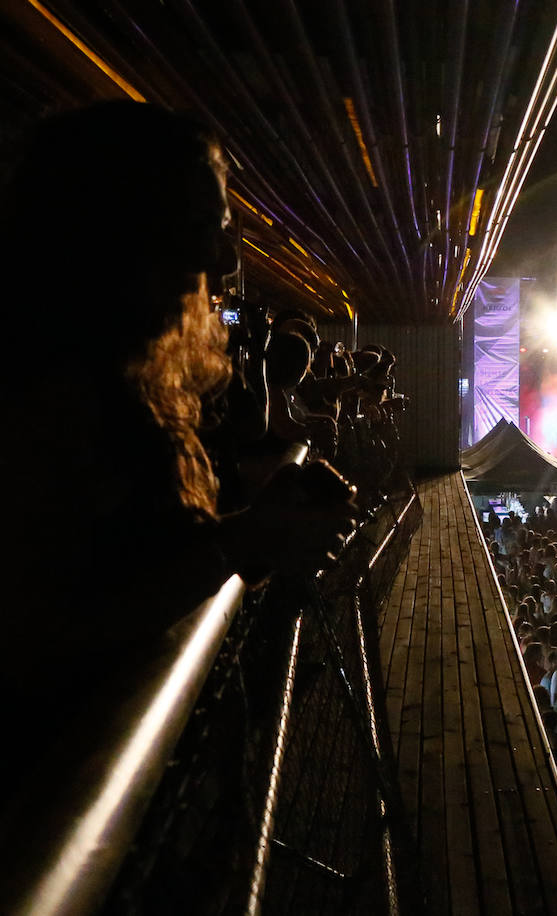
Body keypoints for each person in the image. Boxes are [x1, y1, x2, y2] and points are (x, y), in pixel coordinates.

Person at [1, 102, 357, 771]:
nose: (223, 260)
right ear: (115, 236)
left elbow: (121, 563)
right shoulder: (37, 398)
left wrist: (254, 525)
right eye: (204, 227)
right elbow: (35, 644)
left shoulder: (104, 376)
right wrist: (245, 540)